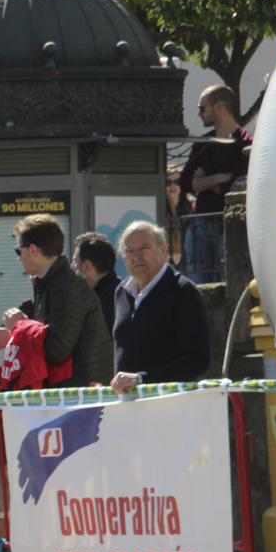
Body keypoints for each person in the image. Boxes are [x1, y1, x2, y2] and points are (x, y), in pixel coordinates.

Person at [0, 214, 113, 387]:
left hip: (81, 397)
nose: (18, 258)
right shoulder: (53, 281)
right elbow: (47, 336)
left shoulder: (65, 284)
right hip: (75, 393)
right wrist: (13, 337)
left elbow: (56, 349)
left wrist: (20, 327)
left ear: (33, 250)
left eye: (18, 251)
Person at [110, 221, 210, 393]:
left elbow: (197, 359)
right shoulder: (122, 293)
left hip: (168, 406)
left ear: (163, 249)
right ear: (123, 257)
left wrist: (142, 378)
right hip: (128, 407)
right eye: (130, 251)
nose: (136, 256)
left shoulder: (183, 292)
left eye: (143, 248)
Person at [180, 85, 252, 284]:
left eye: (202, 108)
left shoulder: (245, 144)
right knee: (197, 286)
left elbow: (233, 187)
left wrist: (202, 181)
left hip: (227, 226)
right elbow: (185, 183)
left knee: (233, 282)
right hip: (199, 225)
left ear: (218, 107)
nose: (198, 113)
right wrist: (219, 177)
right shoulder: (202, 143)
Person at [72, 231, 121, 335]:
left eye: (74, 262)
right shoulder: (122, 293)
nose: (72, 267)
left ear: (86, 266)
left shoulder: (97, 304)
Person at [164, 165, 186, 265]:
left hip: (186, 259)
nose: (173, 186)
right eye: (168, 182)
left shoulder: (190, 208)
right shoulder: (161, 210)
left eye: (177, 182)